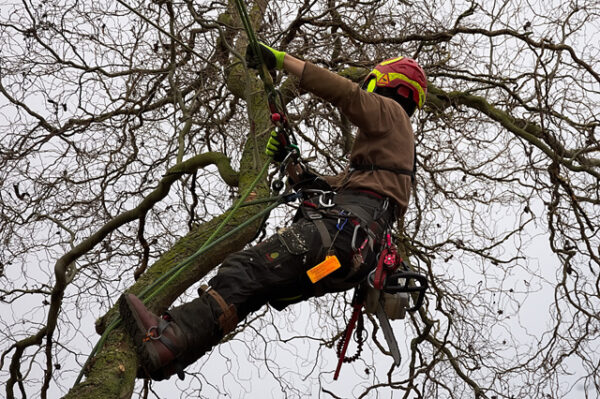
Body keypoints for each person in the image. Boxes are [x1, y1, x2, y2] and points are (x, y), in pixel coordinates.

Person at [119, 43, 427, 381]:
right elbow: (320, 189)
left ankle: (169, 339)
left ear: (382, 85)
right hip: (345, 259)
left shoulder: (392, 113)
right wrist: (289, 161)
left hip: (341, 237)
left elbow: (347, 95)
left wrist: (283, 61)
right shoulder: (381, 172)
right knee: (254, 289)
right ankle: (171, 354)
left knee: (244, 267)